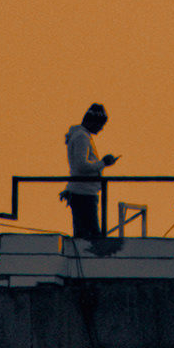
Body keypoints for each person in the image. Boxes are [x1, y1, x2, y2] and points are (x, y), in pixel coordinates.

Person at [63, 103, 122, 255]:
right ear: (91, 122)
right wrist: (103, 163)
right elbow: (81, 166)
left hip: (82, 193)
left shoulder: (80, 136)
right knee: (92, 238)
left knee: (85, 236)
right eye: (100, 125)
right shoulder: (82, 137)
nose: (101, 129)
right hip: (84, 194)